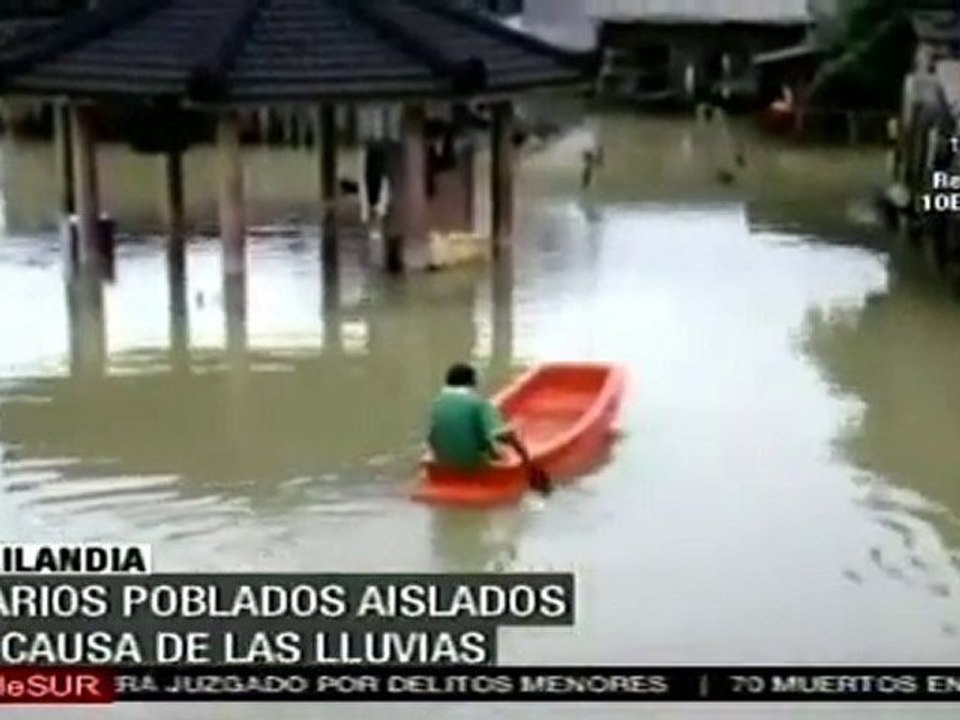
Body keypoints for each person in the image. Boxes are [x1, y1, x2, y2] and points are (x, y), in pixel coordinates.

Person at [427, 363, 551, 493]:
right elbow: (505, 435)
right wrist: (527, 461)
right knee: (505, 445)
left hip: (443, 460)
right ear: (472, 382)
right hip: (472, 463)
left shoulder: (437, 402)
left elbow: (432, 436)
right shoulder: (479, 404)